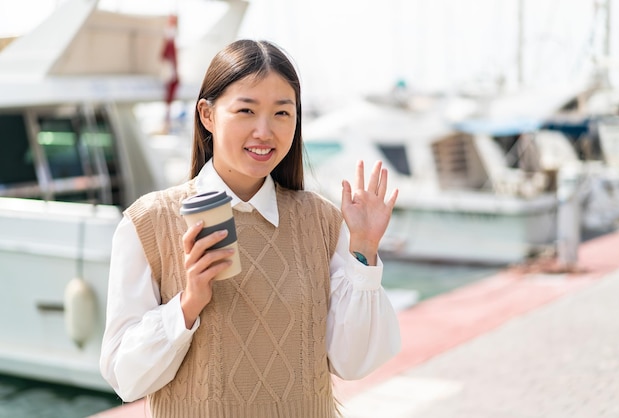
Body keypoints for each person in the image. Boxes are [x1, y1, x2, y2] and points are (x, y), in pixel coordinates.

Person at [100, 39, 401, 418]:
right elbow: (124, 377)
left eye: (281, 113)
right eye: (246, 110)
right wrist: (188, 303)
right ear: (207, 115)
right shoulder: (149, 222)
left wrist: (363, 250)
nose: (265, 131)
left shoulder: (322, 221)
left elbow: (353, 362)